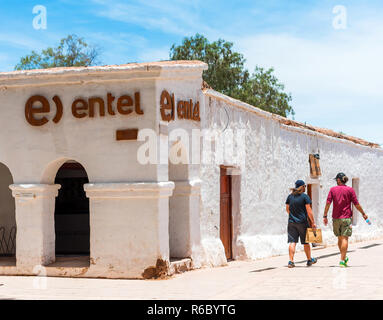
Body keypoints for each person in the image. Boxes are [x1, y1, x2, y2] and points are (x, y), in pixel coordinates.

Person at [323, 172, 369, 267]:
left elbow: (328, 203)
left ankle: (343, 258)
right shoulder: (350, 190)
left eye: (336, 180)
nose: (336, 181)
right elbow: (356, 204)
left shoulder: (332, 190)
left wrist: (325, 215)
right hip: (346, 218)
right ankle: (342, 260)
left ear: (339, 180)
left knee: (340, 238)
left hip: (336, 218)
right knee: (344, 238)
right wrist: (363, 214)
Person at [286, 180, 318, 268]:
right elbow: (309, 210)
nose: (305, 188)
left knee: (292, 242)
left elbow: (287, 209)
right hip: (302, 223)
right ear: (302, 187)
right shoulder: (305, 197)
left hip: (292, 222)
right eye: (305, 186)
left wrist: (293, 216)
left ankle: (291, 261)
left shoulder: (290, 197)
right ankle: (309, 260)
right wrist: (313, 222)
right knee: (306, 242)